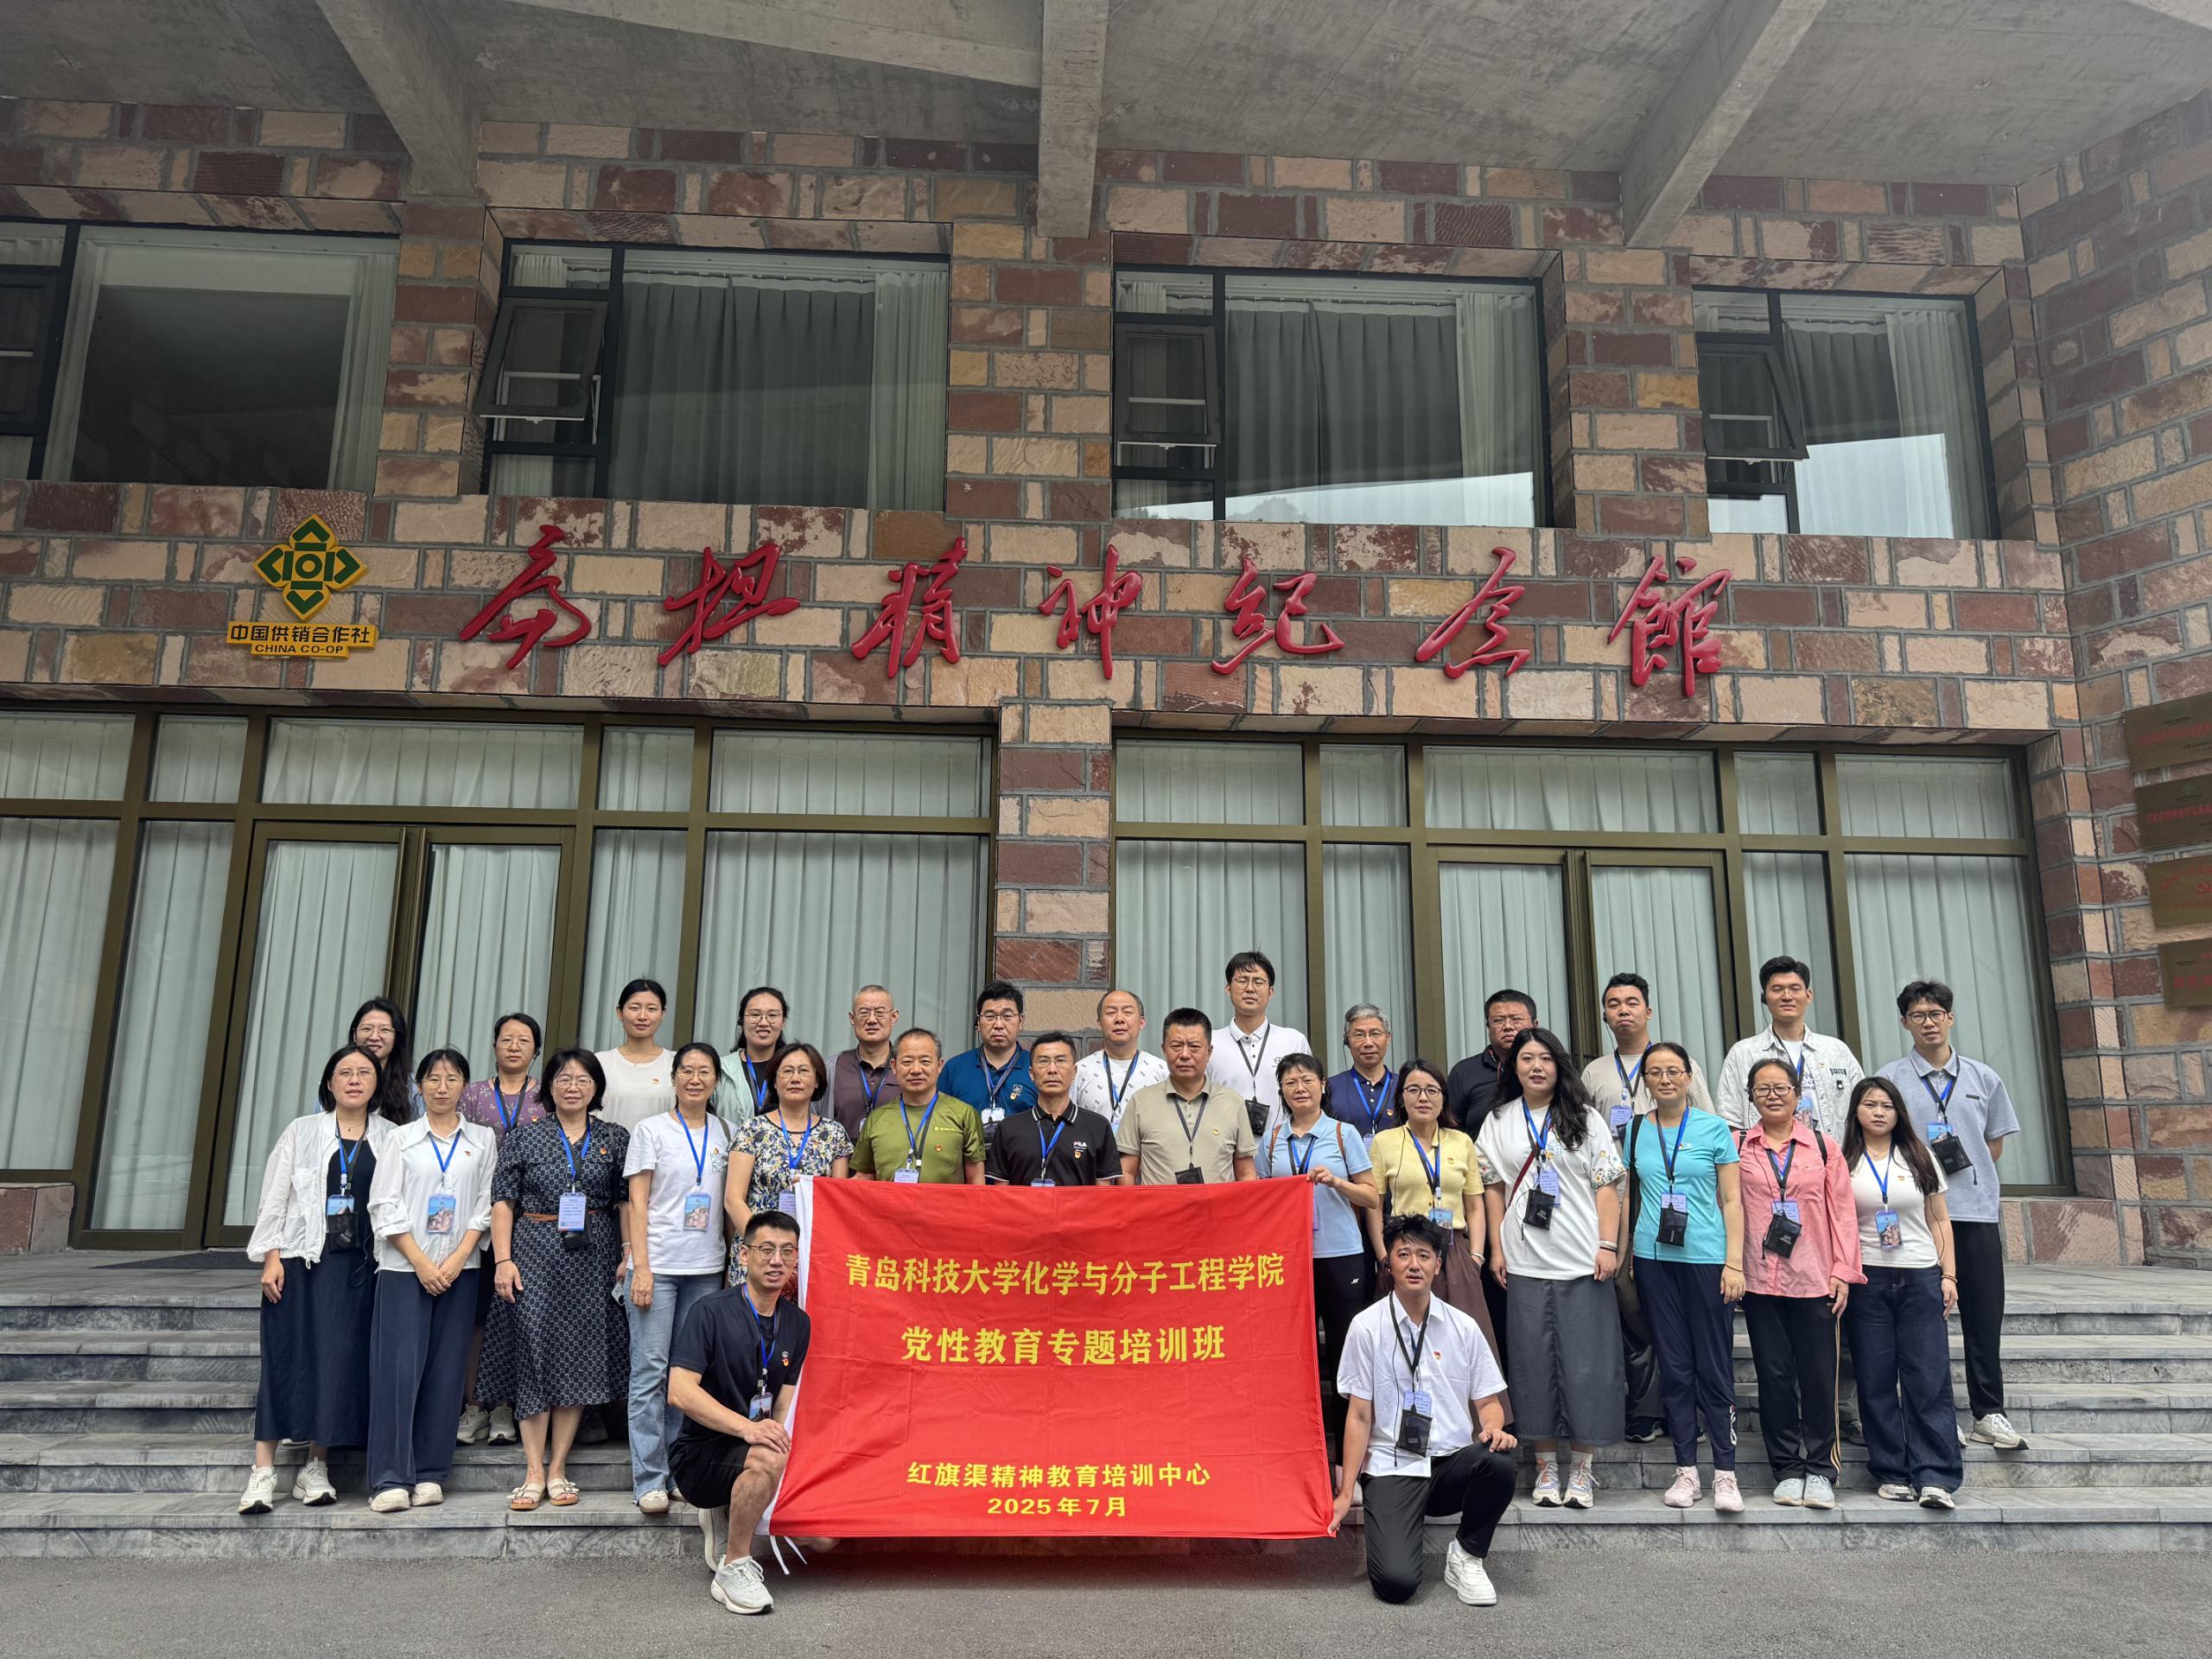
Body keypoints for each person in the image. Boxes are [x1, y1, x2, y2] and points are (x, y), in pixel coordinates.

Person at [238, 1044, 402, 1514]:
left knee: (337, 1363)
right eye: (344, 1072)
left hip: (357, 1271)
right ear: (329, 1083)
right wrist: (270, 1257)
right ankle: (263, 1471)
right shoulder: (302, 1130)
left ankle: (316, 1466)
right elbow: (275, 1197)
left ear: (376, 1083)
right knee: (284, 1359)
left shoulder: (391, 1137)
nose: (354, 1080)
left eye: (364, 1073)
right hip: (299, 1260)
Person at [1331, 1216, 1516, 1608]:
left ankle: (1467, 1554)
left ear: (1438, 1264)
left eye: (1424, 1255)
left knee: (1498, 1462)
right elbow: (1359, 1416)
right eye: (1403, 1255)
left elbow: (1489, 1403)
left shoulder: (1464, 1327)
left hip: (1449, 1465)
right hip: (1392, 1466)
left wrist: (1493, 1428)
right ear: (1389, 1264)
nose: (1414, 1264)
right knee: (1396, 1585)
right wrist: (1346, 1492)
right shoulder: (1366, 1327)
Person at [1477, 1027, 1625, 1509]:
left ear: (1559, 1066)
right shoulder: (1499, 1120)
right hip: (1524, 1262)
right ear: (1513, 1067)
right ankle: (1545, 1467)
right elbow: (1492, 1189)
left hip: (1582, 1261)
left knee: (1588, 1368)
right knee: (1532, 1367)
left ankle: (1581, 1468)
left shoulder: (1585, 1118)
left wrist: (1608, 1245)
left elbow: (1607, 1186)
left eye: (1545, 1058)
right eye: (1526, 1059)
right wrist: (1497, 1249)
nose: (1536, 1066)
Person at [480, 1048, 632, 1511]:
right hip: (534, 1250)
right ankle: (532, 1471)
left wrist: (629, 1253)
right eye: (564, 1078)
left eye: (583, 1079)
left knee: (577, 1357)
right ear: (549, 1086)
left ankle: (558, 1468)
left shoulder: (615, 1137)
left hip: (594, 1256)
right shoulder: (525, 1137)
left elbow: (626, 1201)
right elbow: (503, 1202)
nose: (573, 1086)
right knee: (533, 1352)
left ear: (596, 1088)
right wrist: (503, 1260)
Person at [1878, 979, 2024, 1452]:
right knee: (1923, 1319)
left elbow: (1993, 1144)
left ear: (1950, 1018)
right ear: (1905, 1023)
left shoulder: (1983, 1078)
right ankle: (1935, 1414)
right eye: (1918, 1016)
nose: (1929, 1023)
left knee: (1983, 1315)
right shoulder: (1891, 1080)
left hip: (1974, 1213)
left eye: (1936, 1014)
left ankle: (1989, 1413)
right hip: (1917, 1217)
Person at [365, 1048, 497, 1512]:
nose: (443, 1087)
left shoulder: (481, 1139)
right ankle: (388, 1477)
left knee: (446, 1371)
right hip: (405, 1269)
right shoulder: (400, 1139)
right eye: (434, 1079)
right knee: (398, 1372)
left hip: (461, 1269)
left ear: (465, 1087)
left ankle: (430, 1471)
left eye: (452, 1078)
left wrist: (459, 1258)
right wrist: (421, 1262)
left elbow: (486, 1204)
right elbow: (384, 1205)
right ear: (419, 1086)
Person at [1621, 1040, 1745, 1513]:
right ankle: (1686, 1471)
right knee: (1674, 1367)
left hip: (1707, 1259)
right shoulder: (1636, 1130)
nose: (1665, 1079)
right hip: (1654, 1260)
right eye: (1655, 1072)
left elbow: (1732, 1201)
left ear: (1689, 1077)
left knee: (1713, 1366)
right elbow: (1630, 1198)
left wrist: (1735, 1262)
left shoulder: (1713, 1129)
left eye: (1674, 1071)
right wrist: (1626, 1255)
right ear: (1646, 1081)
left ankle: (1726, 1474)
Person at [671, 1209, 811, 1617]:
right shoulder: (710, 1311)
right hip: (698, 1455)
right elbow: (679, 1392)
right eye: (766, 1250)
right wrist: (749, 1431)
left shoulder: (798, 1323)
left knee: (824, 1539)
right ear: (744, 1255)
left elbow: (781, 1404)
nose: (777, 1260)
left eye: (787, 1251)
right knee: (766, 1455)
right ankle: (733, 1568)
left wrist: (775, 1442)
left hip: (749, 1449)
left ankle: (731, 1507)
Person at [1736, 1054, 1863, 1508]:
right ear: (1751, 1096)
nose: (1772, 1096)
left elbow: (1843, 1214)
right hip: (1760, 1281)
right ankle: (1787, 1468)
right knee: (1773, 1376)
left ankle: (1822, 1468)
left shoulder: (1823, 1147)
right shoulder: (1739, 1147)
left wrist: (1843, 1271)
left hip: (1814, 1280)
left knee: (1818, 1376)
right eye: (1763, 1089)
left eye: (1781, 1088)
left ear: (1797, 1093)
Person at [623, 1041, 739, 1514]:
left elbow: (727, 1207)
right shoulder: (650, 1130)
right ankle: (649, 1478)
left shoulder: (727, 1132)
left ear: (716, 1081)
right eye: (686, 1070)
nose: (695, 1079)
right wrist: (641, 1267)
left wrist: (730, 1268)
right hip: (659, 1267)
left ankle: (677, 1472)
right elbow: (637, 1203)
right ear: (673, 1078)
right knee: (650, 1372)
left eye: (704, 1071)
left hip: (706, 1269)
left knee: (688, 1376)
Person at [1843, 1077, 1964, 1509]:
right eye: (1870, 1104)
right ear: (1856, 1111)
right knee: (1875, 1381)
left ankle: (1935, 1476)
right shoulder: (1843, 1159)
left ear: (1899, 1112)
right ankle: (1891, 1470)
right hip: (1867, 1280)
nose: (1878, 1112)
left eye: (1887, 1106)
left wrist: (1949, 1275)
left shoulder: (1919, 1155)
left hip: (1920, 1276)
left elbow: (1939, 1219)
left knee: (1928, 1379)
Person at [1257, 1052, 1376, 1463]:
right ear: (1282, 1092)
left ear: (1323, 1086)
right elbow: (1259, 1199)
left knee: (1344, 1357)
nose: (1300, 1088)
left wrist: (1337, 1182)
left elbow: (1371, 1196)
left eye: (1307, 1080)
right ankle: (1301, 1456)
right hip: (1290, 1261)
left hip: (1341, 1256)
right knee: (1294, 1359)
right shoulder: (1272, 1139)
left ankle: (1347, 1461)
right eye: (1290, 1082)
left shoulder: (1343, 1134)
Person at [1366, 1060, 1506, 1370]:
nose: (1423, 1098)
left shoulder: (1461, 1141)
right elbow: (1374, 1205)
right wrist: (1383, 1256)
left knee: (1463, 1340)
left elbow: (1475, 1206)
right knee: (1406, 1341)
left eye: (1432, 1090)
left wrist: (1476, 1256)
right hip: (1406, 1250)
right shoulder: (1385, 1142)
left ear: (1443, 1097)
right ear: (1401, 1097)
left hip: (1454, 1250)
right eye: (1414, 1090)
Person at [457, 1010, 545, 1447]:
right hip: (475, 1218)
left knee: (515, 1315)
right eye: (506, 1038)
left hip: (529, 1223)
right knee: (476, 1315)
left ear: (536, 1050)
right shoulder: (472, 1095)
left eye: (523, 1040)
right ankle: (475, 1404)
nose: (514, 1046)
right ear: (493, 1045)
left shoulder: (546, 1097)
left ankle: (508, 1404)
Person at [1713, 957, 1864, 1136]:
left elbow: (1862, 1107)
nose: (1787, 996)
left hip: (1832, 1152)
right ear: (1764, 997)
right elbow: (1729, 1119)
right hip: (1766, 1153)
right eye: (1777, 989)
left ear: (1809, 995)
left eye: (1795, 988)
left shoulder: (1836, 1051)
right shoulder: (1742, 1054)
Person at [728, 1042, 853, 1255]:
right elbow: (733, 1199)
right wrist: (763, 1247)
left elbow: (836, 1202)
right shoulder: (752, 1129)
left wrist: (802, 1252)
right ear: (775, 1082)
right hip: (757, 1253)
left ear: (817, 1081)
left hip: (812, 1253)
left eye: (803, 1071)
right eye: (787, 1071)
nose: (795, 1078)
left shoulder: (834, 1134)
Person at [1120, 1008, 1257, 1185]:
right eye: (1176, 1046)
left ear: (1209, 1052)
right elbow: (1127, 1171)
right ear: (1164, 1049)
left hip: (1217, 1204)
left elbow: (1246, 1173)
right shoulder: (1140, 1102)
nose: (1185, 1055)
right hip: (1158, 1204)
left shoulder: (1233, 1103)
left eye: (1194, 1047)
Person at [1580, 973, 1716, 1134]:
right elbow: (1584, 1132)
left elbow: (1709, 1125)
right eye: (1614, 1005)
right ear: (1605, 1016)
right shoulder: (1593, 1072)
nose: (1623, 1011)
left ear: (1648, 1012)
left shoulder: (1679, 1064)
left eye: (1632, 1003)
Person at [851, 1028, 985, 1184]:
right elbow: (863, 1178)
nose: (915, 1070)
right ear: (894, 1067)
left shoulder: (964, 1114)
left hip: (944, 1201)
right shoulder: (876, 1119)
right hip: (891, 1201)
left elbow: (976, 1180)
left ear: (939, 1065)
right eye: (907, 1062)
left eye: (925, 1061)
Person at [988, 1032, 1122, 1186]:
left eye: (1061, 1061)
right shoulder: (1008, 1128)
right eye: (1043, 1061)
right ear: (1031, 1074)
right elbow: (1001, 1194)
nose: (1052, 1069)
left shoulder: (1098, 1127)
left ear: (1074, 1072)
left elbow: (1103, 1195)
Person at [1210, 950, 1311, 1139]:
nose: (1250, 988)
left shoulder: (1293, 1041)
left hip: (1283, 1147)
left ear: (1270, 991)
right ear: (1228, 989)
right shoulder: (1211, 1043)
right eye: (1242, 980)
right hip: (1225, 1148)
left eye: (1258, 982)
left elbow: (1309, 1100)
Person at [939, 980, 1038, 1146]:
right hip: (967, 1159)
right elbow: (940, 1123)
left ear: (1021, 1021)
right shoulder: (955, 1068)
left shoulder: (1037, 1067)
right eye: (990, 1016)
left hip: (1021, 1161)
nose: (998, 1025)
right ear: (978, 1022)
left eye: (1007, 1016)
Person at [1070, 988, 1166, 1130]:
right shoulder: (1080, 1071)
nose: (1119, 1019)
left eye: (1127, 1012)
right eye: (1111, 1013)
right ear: (1099, 1022)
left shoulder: (1161, 1070)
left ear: (1141, 1022)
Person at [1444, 989, 1535, 1126]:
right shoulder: (1464, 1072)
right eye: (1498, 1020)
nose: (1508, 1026)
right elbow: (1450, 1128)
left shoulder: (1549, 1068)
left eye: (1516, 1019)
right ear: (1488, 1026)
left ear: (1535, 1025)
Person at [595, 977, 675, 1132]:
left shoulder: (676, 1063)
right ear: (620, 1012)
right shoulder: (600, 1062)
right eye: (634, 1008)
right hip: (607, 1147)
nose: (642, 1016)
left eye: (652, 1009)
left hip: (660, 1148)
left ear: (663, 1013)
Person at [829, 984, 899, 1141]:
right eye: (864, 1013)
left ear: (894, 1017)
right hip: (842, 1156)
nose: (872, 1020)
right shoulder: (833, 1068)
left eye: (880, 1012)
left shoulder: (907, 1068)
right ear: (852, 1018)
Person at [1325, 1004, 1404, 1143]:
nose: (1368, 1043)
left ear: (1388, 1038)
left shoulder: (1404, 1086)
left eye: (1375, 1034)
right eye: (1359, 1035)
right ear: (1347, 1040)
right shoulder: (1330, 1087)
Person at [713, 986, 790, 1118]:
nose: (763, 1023)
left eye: (772, 1015)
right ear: (742, 1021)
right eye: (755, 1015)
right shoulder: (721, 1069)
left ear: (783, 1022)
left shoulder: (795, 1070)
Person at [348, 996, 422, 1122]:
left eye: (385, 1030)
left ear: (396, 1038)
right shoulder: (336, 1082)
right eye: (367, 1029)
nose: (374, 1037)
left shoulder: (413, 1090)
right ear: (355, 1035)